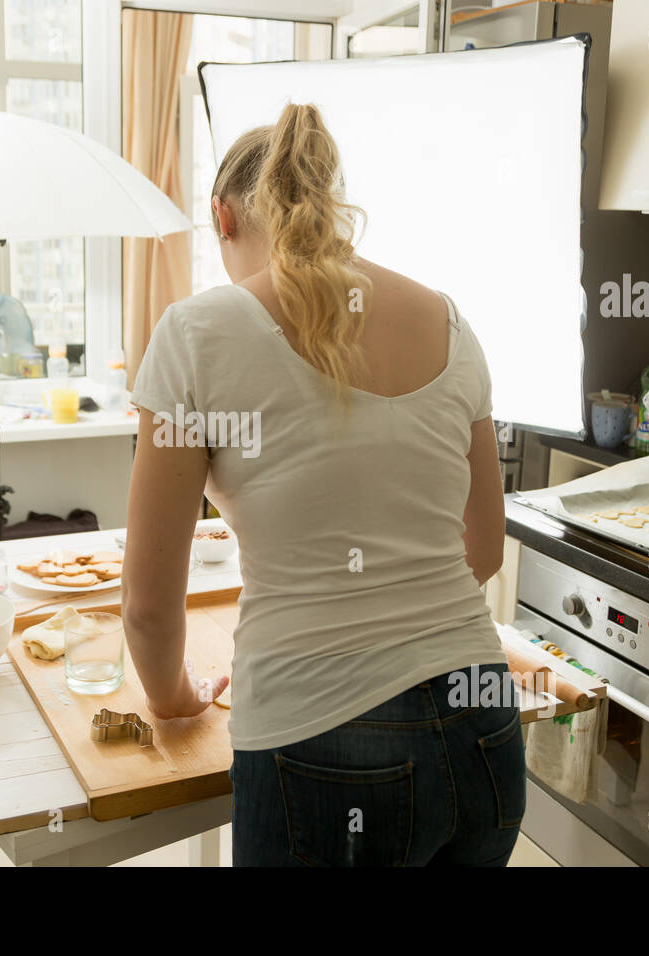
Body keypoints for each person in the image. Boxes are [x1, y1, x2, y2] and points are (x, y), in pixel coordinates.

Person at [122, 103, 524, 866]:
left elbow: (146, 608)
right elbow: (486, 546)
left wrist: (174, 698)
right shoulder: (450, 321)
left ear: (223, 216)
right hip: (485, 723)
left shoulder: (194, 334)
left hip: (320, 744)